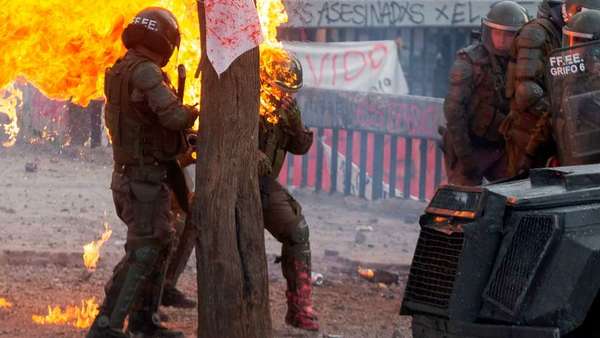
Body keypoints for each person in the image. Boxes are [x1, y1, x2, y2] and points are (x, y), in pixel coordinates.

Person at [86, 7, 198, 338]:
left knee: (161, 242)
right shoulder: (146, 72)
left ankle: (143, 321)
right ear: (163, 39)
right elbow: (173, 118)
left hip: (140, 176)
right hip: (141, 180)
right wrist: (195, 111)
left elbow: (148, 124)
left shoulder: (125, 68)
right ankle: (106, 324)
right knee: (146, 249)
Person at [500, 0, 600, 175]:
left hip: (570, 144)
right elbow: (529, 93)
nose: (573, 49)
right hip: (531, 132)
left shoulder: (586, 65)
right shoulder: (537, 33)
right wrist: (562, 114)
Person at [442, 1, 529, 185]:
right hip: (470, 145)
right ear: (489, 32)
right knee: (461, 202)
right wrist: (465, 158)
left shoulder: (522, 63)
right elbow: (453, 111)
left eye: (509, 34)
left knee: (513, 197)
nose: (502, 40)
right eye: (498, 33)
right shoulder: (469, 62)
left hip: (501, 147)